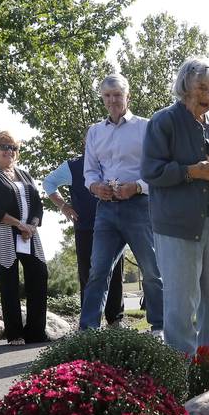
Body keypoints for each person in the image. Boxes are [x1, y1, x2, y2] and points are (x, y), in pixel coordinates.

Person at [141, 57, 209, 355]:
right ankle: (182, 364)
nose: (208, 96)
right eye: (202, 88)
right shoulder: (163, 121)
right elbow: (151, 171)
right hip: (177, 225)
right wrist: (192, 171)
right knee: (181, 302)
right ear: (185, 86)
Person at [80, 74, 163, 334]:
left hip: (139, 206)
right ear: (102, 98)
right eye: (107, 95)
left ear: (128, 96)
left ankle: (160, 327)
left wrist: (136, 186)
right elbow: (89, 172)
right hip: (106, 209)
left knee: (152, 270)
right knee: (98, 272)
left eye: (117, 94)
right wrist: (95, 186)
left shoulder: (146, 128)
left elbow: (157, 169)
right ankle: (88, 331)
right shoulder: (95, 132)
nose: (113, 100)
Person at [0, 130, 48, 345]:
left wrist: (32, 226)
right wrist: (19, 224)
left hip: (29, 234)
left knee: (39, 274)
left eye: (13, 148)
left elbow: (37, 204)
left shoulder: (24, 174)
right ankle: (15, 334)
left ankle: (35, 332)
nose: (10, 151)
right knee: (9, 284)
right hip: (4, 232)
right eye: (4, 147)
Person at [43, 154, 125, 327]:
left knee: (115, 274)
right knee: (88, 276)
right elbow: (48, 183)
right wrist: (64, 206)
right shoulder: (72, 166)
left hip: (115, 227)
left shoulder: (115, 160)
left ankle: (115, 320)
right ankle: (89, 326)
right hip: (87, 228)